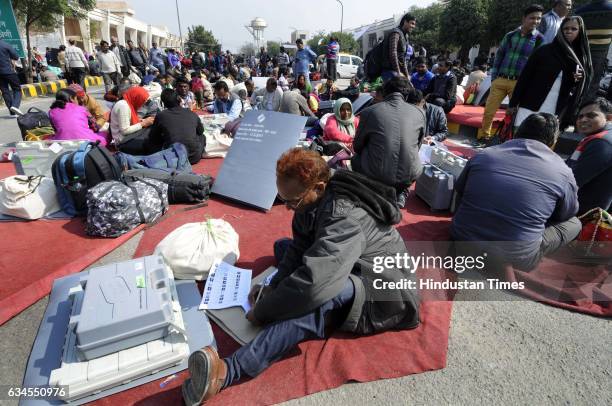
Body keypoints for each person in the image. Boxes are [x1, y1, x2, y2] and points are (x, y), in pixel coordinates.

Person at [181, 148, 419, 405]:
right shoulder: (315, 198)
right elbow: (299, 247)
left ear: (317, 186)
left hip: (385, 286)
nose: (288, 207)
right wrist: (274, 285)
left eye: (292, 201)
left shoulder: (345, 216)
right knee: (284, 249)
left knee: (317, 300)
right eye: (284, 200)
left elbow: (315, 285)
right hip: (353, 262)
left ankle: (227, 372)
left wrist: (265, 310)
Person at [452, 113, 580, 271]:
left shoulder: (484, 154)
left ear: (518, 132)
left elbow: (459, 191)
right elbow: (566, 214)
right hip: (516, 257)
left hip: (461, 239)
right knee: (575, 223)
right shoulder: (563, 171)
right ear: (553, 141)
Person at [351, 76, 425, 208]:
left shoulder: (370, 111)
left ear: (384, 93)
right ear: (407, 95)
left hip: (378, 175)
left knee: (355, 159)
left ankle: (370, 191)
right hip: (409, 174)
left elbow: (357, 146)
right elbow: (417, 147)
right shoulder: (420, 113)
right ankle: (402, 191)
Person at [509, 16, 593, 130]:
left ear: (580, 31)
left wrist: (578, 78)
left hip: (556, 108)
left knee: (544, 140)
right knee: (520, 136)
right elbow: (525, 77)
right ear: (560, 31)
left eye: (574, 29)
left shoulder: (582, 58)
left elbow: (578, 87)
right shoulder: (545, 51)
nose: (569, 31)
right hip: (530, 104)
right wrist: (513, 103)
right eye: (565, 28)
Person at [479, 5, 545, 142]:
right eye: (532, 18)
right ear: (524, 18)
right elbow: (499, 56)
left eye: (539, 18)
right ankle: (484, 137)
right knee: (489, 111)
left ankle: (509, 140)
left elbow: (537, 65)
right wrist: (495, 78)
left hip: (519, 83)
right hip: (500, 79)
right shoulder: (510, 36)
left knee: (514, 114)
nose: (536, 21)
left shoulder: (539, 39)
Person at [566, 98, 612, 214]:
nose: (583, 120)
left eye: (591, 115)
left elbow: (572, 182)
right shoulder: (598, 137)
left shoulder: (602, 143)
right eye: (580, 117)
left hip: (583, 215)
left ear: (609, 118)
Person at [149, 89, 205, 164]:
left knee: (150, 142)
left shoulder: (161, 115)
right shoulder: (191, 113)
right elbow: (200, 131)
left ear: (163, 103)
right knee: (202, 137)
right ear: (179, 99)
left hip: (173, 157)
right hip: (194, 157)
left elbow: (153, 137)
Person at [575, 0, 612, 100]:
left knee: (578, 87)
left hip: (581, 55)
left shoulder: (580, 12)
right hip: (600, 56)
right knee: (592, 89)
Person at [109, 86, 155, 154]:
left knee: (151, 130)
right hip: (122, 141)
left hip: (127, 137)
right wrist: (143, 123)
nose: (142, 104)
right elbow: (125, 130)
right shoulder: (123, 106)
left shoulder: (128, 104)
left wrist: (143, 121)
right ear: (137, 98)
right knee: (150, 141)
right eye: (142, 101)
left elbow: (129, 121)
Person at [381, 13, 416, 82]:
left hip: (396, 72)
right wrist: (398, 73)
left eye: (414, 24)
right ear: (405, 22)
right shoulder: (395, 33)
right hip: (389, 72)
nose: (413, 26)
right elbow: (393, 53)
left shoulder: (404, 36)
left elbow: (402, 58)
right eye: (412, 23)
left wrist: (406, 75)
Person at [0, 39, 23, 117]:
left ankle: (12, 113)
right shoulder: (6, 45)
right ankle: (15, 106)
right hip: (8, 71)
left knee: (5, 91)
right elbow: (16, 57)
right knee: (17, 89)